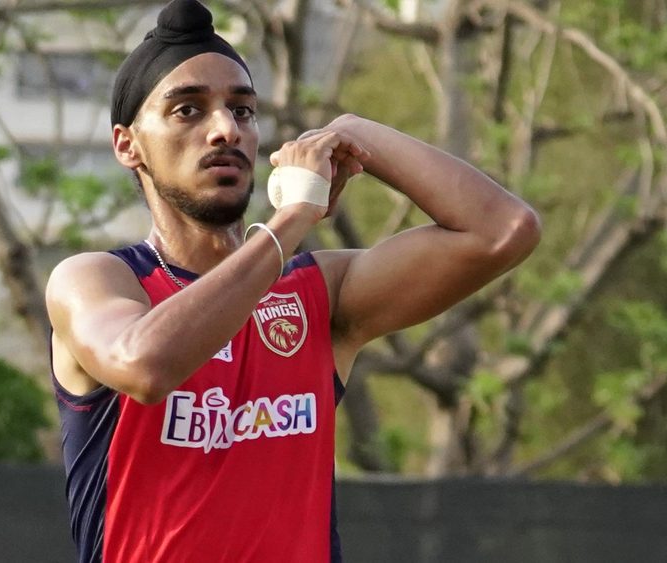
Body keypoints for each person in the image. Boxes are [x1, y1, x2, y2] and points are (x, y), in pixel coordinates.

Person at [45, 1, 541, 561]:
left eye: (243, 110)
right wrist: (292, 219)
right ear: (127, 144)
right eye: (187, 110)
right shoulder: (98, 279)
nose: (225, 130)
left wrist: (351, 131)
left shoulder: (317, 294)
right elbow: (145, 367)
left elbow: (503, 230)